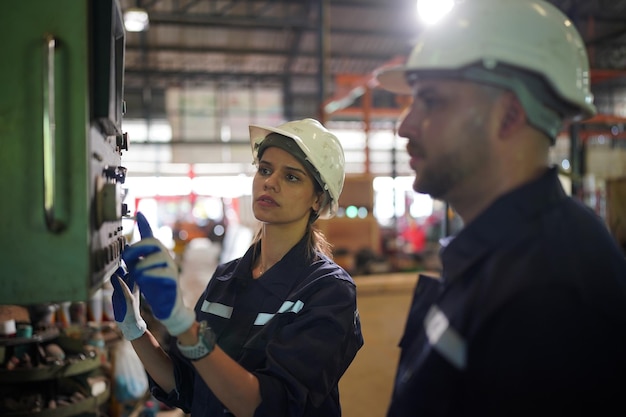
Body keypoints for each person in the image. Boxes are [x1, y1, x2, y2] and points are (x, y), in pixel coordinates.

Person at [375, 0, 626, 415]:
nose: (405, 125)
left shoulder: (551, 296)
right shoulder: (500, 256)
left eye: (432, 101)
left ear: (509, 116)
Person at [111, 118, 363, 417]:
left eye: (292, 177)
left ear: (318, 199)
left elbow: (268, 407)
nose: (270, 181)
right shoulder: (226, 277)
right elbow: (189, 388)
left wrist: (184, 326)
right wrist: (135, 329)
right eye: (265, 169)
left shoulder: (328, 291)